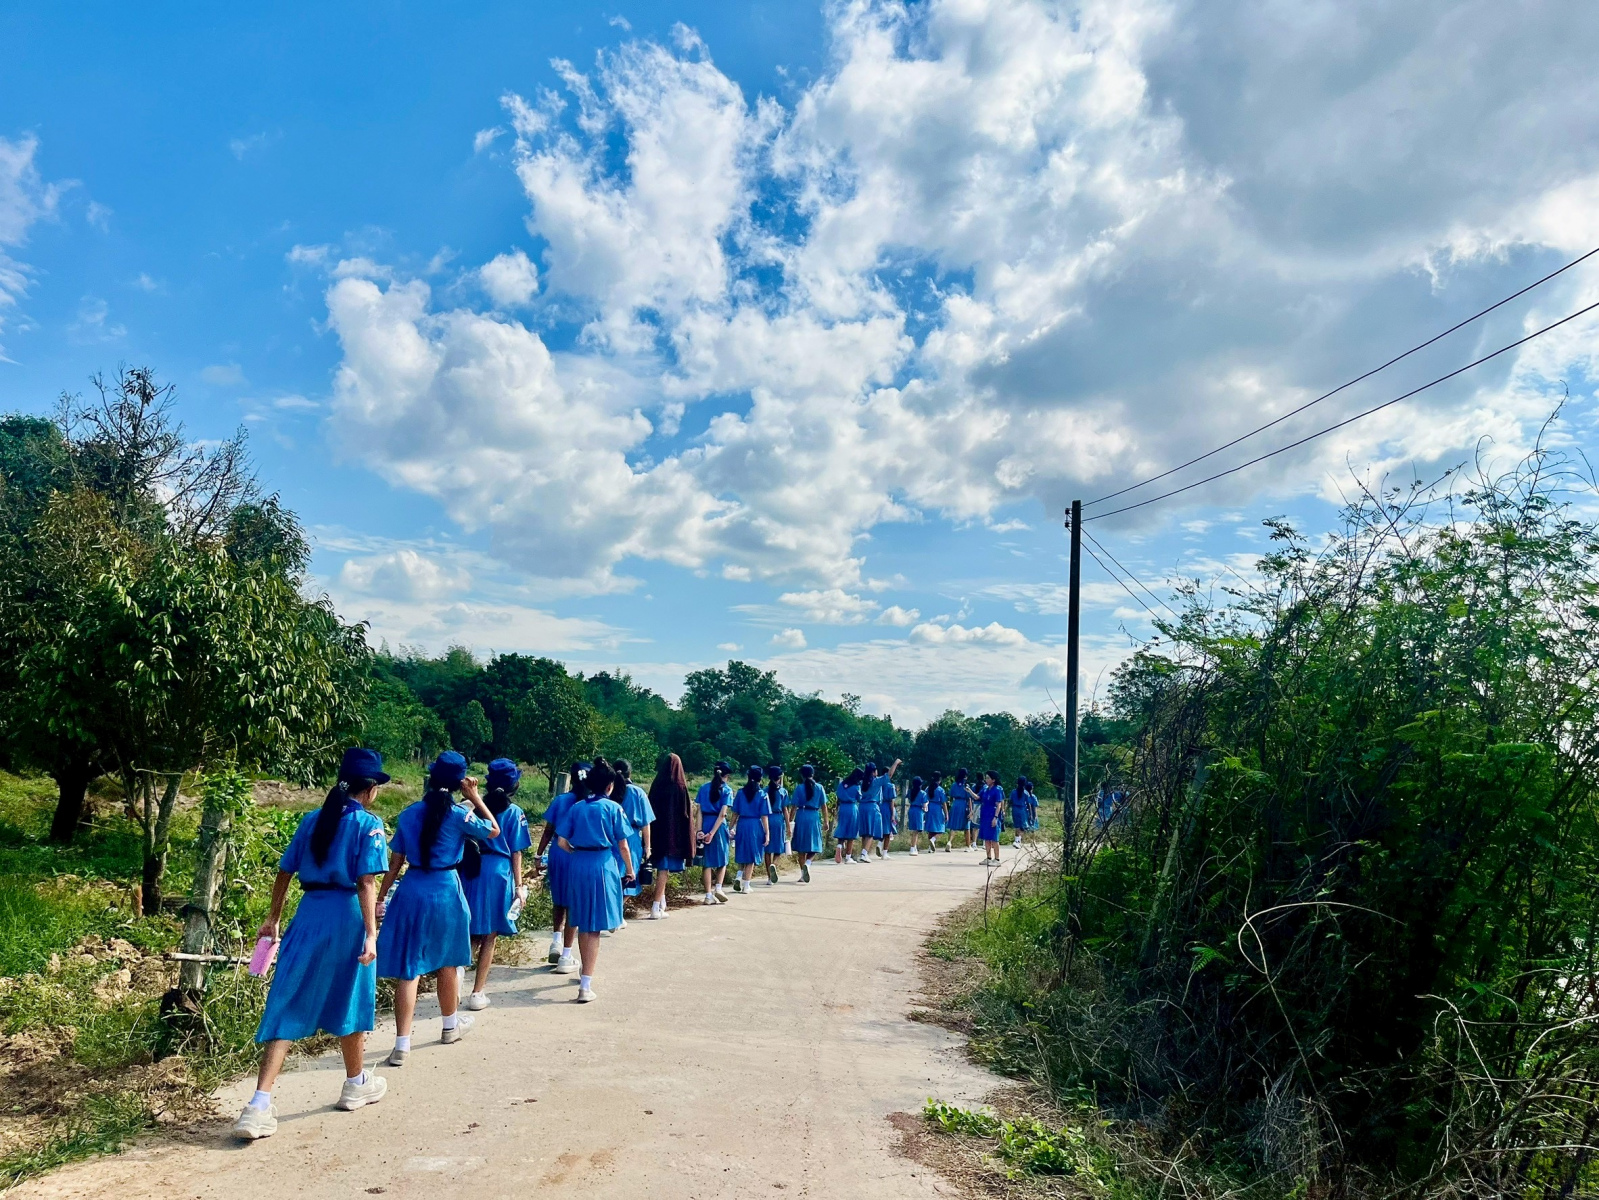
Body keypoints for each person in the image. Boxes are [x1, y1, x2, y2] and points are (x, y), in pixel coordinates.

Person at [233, 748, 392, 1140]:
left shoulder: (311, 820)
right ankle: (354, 1083)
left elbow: (285, 871)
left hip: (308, 915)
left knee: (287, 999)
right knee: (350, 996)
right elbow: (366, 882)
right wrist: (371, 934)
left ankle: (259, 1103)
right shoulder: (368, 825)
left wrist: (273, 918)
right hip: (347, 917)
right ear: (370, 789)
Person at [375, 752, 500, 1066]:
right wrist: (475, 797)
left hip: (412, 888)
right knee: (447, 962)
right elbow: (493, 830)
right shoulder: (458, 814)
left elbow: (395, 862)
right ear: (459, 783)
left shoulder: (409, 814)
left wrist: (381, 896)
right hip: (445, 890)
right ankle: (449, 1026)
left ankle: (401, 1045)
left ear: (430, 779)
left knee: (409, 969)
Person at [556, 757, 635, 1002]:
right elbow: (623, 845)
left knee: (581, 920)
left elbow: (561, 841)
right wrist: (630, 870)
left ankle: (582, 972)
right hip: (602, 863)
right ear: (610, 785)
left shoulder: (577, 807)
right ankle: (585, 985)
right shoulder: (613, 808)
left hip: (579, 863)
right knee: (595, 927)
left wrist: (575, 853)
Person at [460, 758, 531, 1011]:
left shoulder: (474, 807)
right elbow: (517, 852)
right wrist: (519, 886)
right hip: (499, 872)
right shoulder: (514, 812)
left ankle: (455, 981)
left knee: (469, 930)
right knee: (490, 935)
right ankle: (477, 992)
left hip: (471, 868)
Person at [535, 762, 588, 973]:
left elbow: (548, 830)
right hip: (578, 852)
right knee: (574, 902)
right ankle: (566, 954)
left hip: (558, 850)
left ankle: (555, 941)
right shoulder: (589, 803)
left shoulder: (561, 800)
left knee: (558, 899)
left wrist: (539, 855)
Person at [646, 753, 692, 919]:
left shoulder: (657, 785)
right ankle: (656, 906)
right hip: (673, 835)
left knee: (660, 867)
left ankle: (661, 903)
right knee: (664, 870)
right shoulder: (681, 787)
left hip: (656, 833)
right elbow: (686, 814)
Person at [614, 758, 655, 923]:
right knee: (630, 877)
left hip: (611, 837)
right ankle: (616, 912)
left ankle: (614, 912)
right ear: (630, 773)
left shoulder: (608, 790)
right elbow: (646, 823)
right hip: (631, 838)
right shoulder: (637, 792)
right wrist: (648, 847)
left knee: (614, 876)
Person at [730, 766, 772, 893]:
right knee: (752, 855)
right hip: (755, 825)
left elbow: (735, 813)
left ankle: (739, 876)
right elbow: (764, 816)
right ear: (760, 778)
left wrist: (730, 827)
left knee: (742, 851)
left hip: (742, 823)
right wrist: (767, 833)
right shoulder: (762, 794)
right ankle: (746, 885)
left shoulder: (740, 792)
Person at [697, 761, 733, 903]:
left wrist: (699, 830)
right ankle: (718, 888)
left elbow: (699, 811)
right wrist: (712, 833)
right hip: (718, 827)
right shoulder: (727, 790)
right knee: (722, 859)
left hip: (705, 822)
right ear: (727, 775)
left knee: (707, 862)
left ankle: (708, 895)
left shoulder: (703, 788)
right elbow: (723, 814)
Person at [789, 763, 825, 882]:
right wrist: (826, 821)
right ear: (813, 774)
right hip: (814, 815)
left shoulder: (799, 788)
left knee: (801, 847)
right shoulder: (819, 787)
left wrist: (790, 820)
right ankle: (808, 863)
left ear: (802, 775)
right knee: (815, 845)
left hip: (801, 815)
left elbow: (794, 806)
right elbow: (824, 806)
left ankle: (802, 874)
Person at [761, 764, 788, 885]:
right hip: (778, 819)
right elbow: (785, 809)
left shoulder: (764, 791)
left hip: (766, 819)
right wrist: (788, 825)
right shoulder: (782, 791)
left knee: (767, 849)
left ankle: (769, 877)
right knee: (779, 848)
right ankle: (774, 864)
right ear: (779, 777)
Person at [832, 768, 863, 864]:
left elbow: (838, 796)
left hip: (842, 807)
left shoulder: (842, 784)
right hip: (852, 807)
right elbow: (859, 798)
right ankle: (848, 857)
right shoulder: (856, 786)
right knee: (851, 832)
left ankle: (839, 845)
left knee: (842, 827)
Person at [875, 758, 902, 857]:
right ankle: (885, 852)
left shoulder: (878, 784)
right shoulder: (891, 786)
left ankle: (879, 843)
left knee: (882, 828)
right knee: (888, 830)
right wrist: (893, 814)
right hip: (887, 807)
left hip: (879, 806)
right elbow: (892, 800)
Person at [977, 770, 1005, 864]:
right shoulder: (985, 789)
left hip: (992, 815)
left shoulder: (997, 790)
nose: (986, 779)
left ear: (993, 780)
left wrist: (995, 817)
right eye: (986, 778)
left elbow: (998, 805)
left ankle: (997, 859)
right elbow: (977, 797)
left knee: (994, 838)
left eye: (988, 778)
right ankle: (988, 858)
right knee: (987, 838)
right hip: (985, 815)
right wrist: (969, 791)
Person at [857, 763, 883, 862]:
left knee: (864, 833)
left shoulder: (861, 782)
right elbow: (889, 775)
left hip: (862, 806)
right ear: (873, 771)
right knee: (870, 832)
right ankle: (864, 853)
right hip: (872, 806)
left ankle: (863, 852)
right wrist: (896, 763)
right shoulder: (876, 781)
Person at [949, 769, 975, 851]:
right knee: (967, 825)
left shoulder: (954, 785)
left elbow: (951, 795)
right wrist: (971, 810)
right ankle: (968, 846)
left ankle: (949, 842)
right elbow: (969, 799)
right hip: (964, 804)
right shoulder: (966, 785)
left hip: (955, 804)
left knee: (954, 825)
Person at [925, 771, 948, 851]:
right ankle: (933, 839)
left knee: (931, 828)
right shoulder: (940, 790)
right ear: (940, 779)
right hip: (937, 808)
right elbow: (944, 803)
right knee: (941, 828)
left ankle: (930, 847)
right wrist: (946, 814)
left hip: (929, 808)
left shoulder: (927, 788)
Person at [904, 776, 927, 854]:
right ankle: (912, 848)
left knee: (913, 829)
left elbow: (907, 798)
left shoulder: (910, 791)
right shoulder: (922, 793)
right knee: (916, 831)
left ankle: (914, 847)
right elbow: (924, 805)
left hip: (911, 809)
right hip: (918, 810)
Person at [1011, 776, 1030, 848]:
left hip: (1014, 809)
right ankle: (1018, 841)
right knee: (1023, 826)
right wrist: (1030, 813)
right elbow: (1028, 803)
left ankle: (1016, 840)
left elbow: (1010, 801)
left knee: (1017, 825)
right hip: (1022, 809)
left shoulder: (1013, 792)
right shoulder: (1026, 793)